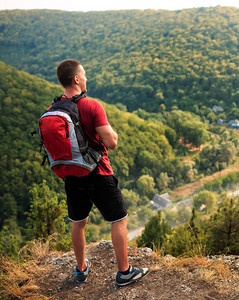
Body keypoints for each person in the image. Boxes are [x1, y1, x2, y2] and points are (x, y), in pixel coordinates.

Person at [56, 59, 148, 286]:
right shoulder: (92, 106)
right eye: (84, 74)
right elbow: (111, 141)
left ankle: (81, 268)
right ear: (76, 79)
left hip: (71, 175)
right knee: (119, 219)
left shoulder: (54, 109)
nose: (86, 78)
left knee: (78, 222)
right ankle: (124, 272)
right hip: (99, 172)